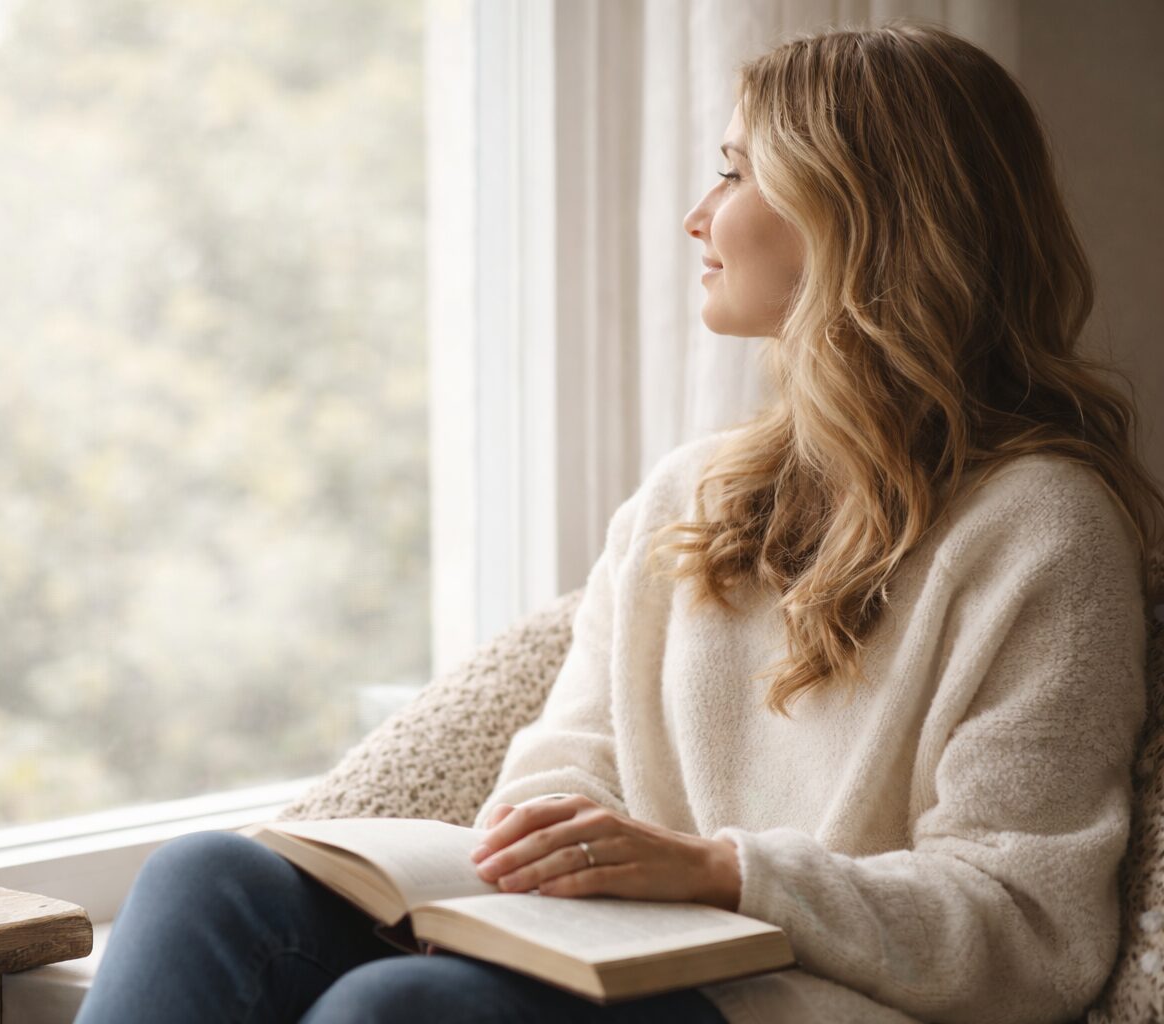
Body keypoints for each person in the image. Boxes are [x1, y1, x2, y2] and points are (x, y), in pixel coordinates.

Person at [74, 18, 1163, 1024]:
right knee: (203, 876)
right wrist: (544, 846)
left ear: (861, 214)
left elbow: (1034, 929)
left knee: (396, 1012)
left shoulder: (1044, 529)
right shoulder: (690, 497)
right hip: (612, 961)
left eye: (736, 172)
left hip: (796, 1002)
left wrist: (725, 869)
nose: (698, 214)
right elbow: (564, 765)